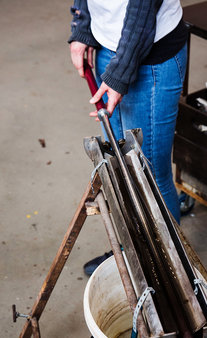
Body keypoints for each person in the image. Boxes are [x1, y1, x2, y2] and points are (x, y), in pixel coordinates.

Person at [69, 0, 188, 274]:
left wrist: (120, 71)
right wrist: (82, 27)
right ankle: (133, 248)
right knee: (120, 166)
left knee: (150, 175)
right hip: (107, 48)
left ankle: (171, 270)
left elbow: (142, 9)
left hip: (152, 59)